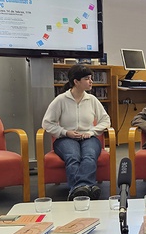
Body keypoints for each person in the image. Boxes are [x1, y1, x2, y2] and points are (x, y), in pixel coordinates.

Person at [42, 64, 111, 201]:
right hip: (65, 138)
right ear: (76, 81)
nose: (91, 81)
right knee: (73, 156)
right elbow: (46, 123)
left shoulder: (92, 100)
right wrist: (65, 132)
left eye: (91, 78)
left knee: (89, 155)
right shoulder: (60, 100)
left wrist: (91, 132)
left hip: (88, 137)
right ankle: (87, 187)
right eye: (87, 78)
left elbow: (105, 120)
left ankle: (78, 190)